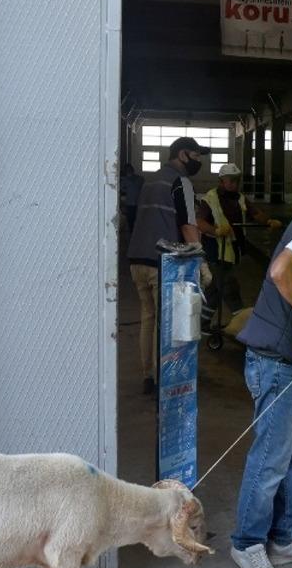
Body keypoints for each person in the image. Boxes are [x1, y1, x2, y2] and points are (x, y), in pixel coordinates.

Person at [228, 218, 292, 568]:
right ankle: (247, 542)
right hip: (275, 358)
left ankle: (285, 535)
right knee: (270, 459)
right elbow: (281, 273)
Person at [127, 136, 210, 395]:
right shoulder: (180, 181)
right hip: (161, 262)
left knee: (147, 318)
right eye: (196, 156)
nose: (199, 162)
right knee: (166, 322)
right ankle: (166, 378)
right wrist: (202, 262)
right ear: (183, 154)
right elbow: (188, 225)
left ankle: (148, 376)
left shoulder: (151, 179)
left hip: (137, 260)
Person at [195, 163, 280, 331]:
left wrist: (268, 221)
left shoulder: (240, 198)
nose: (235, 183)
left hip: (232, 249)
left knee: (215, 289)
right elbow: (200, 222)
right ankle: (242, 322)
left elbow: (254, 213)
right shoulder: (210, 199)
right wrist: (216, 230)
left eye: (237, 180)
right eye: (231, 180)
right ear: (221, 181)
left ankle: (202, 324)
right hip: (215, 249)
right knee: (228, 285)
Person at [119, 162, 144, 237]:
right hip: (134, 203)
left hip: (134, 202)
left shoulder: (137, 179)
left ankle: (134, 233)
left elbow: (121, 189)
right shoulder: (139, 179)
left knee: (133, 220)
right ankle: (134, 233)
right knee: (133, 219)